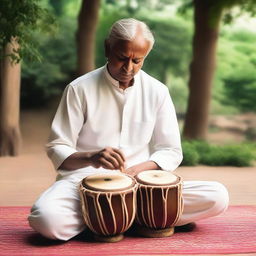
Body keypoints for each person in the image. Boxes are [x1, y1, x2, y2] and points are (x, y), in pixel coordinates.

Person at [28, 18, 229, 241]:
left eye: (137, 60)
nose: (128, 68)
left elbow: (170, 150)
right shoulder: (79, 89)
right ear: (107, 48)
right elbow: (58, 146)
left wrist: (140, 170)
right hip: (84, 184)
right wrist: (92, 157)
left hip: (142, 188)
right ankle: (142, 219)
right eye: (122, 58)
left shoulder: (157, 91)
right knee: (45, 219)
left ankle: (110, 220)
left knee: (218, 196)